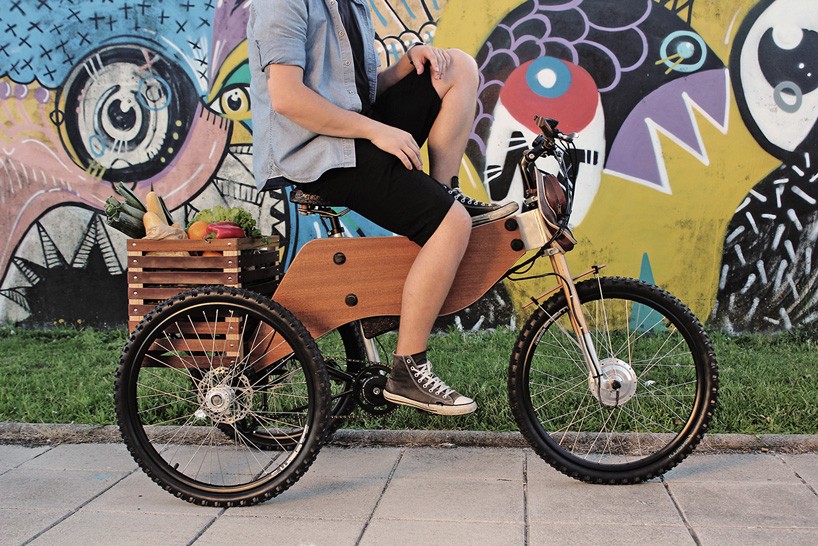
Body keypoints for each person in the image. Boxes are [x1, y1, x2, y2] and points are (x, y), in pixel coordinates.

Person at [247, 0, 517, 416]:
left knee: (457, 67)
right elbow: (287, 98)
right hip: (316, 154)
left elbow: (350, 93)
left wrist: (406, 66)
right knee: (451, 225)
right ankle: (408, 370)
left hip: (352, 133)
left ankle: (445, 191)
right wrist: (378, 132)